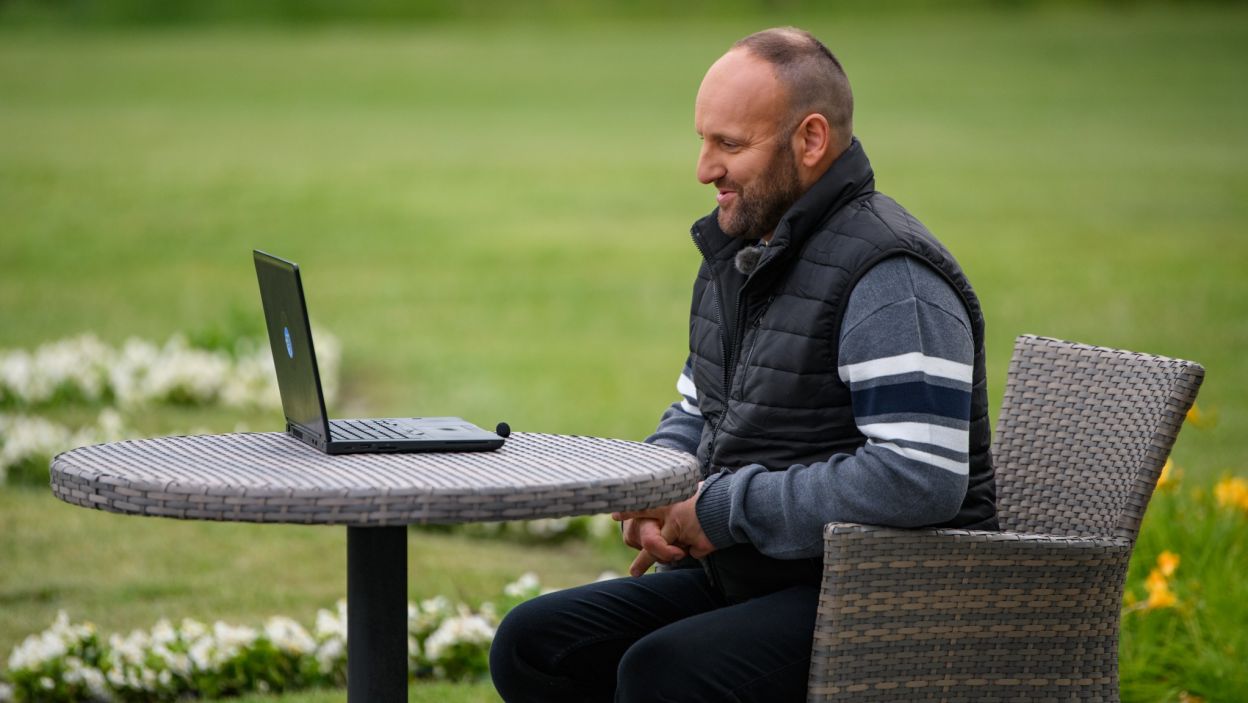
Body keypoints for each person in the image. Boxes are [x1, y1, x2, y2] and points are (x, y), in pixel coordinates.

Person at [490, 26, 998, 702]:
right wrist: (657, 488)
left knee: (662, 671)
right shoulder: (744, 251)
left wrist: (721, 509)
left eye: (729, 145)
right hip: (760, 572)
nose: (705, 169)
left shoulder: (890, 275)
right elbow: (698, 407)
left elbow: (919, 478)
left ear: (810, 140)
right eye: (703, 140)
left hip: (889, 598)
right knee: (533, 644)